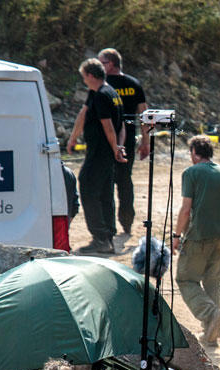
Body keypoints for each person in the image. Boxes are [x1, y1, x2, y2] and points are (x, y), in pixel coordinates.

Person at [171, 135, 220, 346]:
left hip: (197, 236)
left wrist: (176, 236)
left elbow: (185, 210)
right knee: (212, 283)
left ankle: (210, 315)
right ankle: (212, 332)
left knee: (185, 279)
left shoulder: (191, 173)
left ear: (194, 152)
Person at [66, 58, 125, 255]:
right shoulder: (109, 93)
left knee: (88, 187)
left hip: (100, 152)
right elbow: (121, 125)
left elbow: (109, 126)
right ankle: (107, 236)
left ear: (91, 76)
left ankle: (100, 238)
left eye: (84, 77)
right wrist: (118, 146)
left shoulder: (101, 96)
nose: (84, 81)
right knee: (105, 193)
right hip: (106, 153)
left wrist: (115, 147)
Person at [98, 48, 149, 236]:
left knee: (106, 182)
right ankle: (127, 222)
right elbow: (144, 115)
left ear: (110, 64)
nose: (98, 66)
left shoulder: (103, 85)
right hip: (127, 141)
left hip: (106, 142)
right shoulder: (133, 84)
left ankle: (108, 225)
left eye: (100, 62)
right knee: (125, 180)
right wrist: (146, 141)